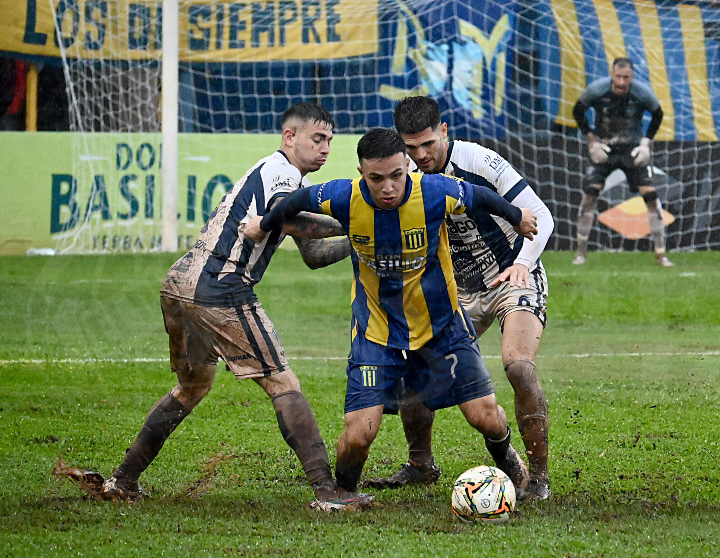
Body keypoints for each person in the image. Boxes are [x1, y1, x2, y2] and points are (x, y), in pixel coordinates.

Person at [57, 102, 371, 511]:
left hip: (180, 285)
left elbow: (312, 254)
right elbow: (293, 223)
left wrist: (361, 241)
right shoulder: (282, 173)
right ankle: (328, 493)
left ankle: (123, 480)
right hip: (219, 288)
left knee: (191, 388)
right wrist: (361, 221)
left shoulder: (278, 176)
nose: (326, 148)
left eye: (330, 140)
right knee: (283, 384)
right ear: (289, 137)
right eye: (317, 138)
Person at [245, 128, 540, 498]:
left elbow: (479, 195)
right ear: (361, 173)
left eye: (396, 175)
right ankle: (343, 495)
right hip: (376, 334)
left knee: (485, 416)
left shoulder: (434, 191)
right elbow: (299, 198)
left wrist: (516, 216)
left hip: (442, 327)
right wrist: (263, 224)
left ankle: (511, 465)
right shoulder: (344, 196)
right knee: (359, 433)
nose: (388, 187)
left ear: (407, 167)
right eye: (376, 178)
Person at [363, 95, 553, 500]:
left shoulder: (479, 161)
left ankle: (537, 478)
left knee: (518, 366)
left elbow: (541, 214)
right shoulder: (401, 176)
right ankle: (421, 465)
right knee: (415, 369)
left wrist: (522, 263)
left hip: (512, 276)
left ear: (444, 131)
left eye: (427, 144)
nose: (420, 155)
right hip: (457, 292)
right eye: (411, 147)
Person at [571, 57, 672, 267]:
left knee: (651, 196)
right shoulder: (597, 90)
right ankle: (580, 252)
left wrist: (645, 143)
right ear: (612, 75)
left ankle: (661, 254)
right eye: (618, 77)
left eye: (626, 78)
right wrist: (591, 141)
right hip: (605, 149)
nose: (622, 82)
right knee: (589, 194)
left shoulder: (642, 93)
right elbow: (577, 111)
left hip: (632, 150)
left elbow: (658, 114)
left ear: (632, 76)